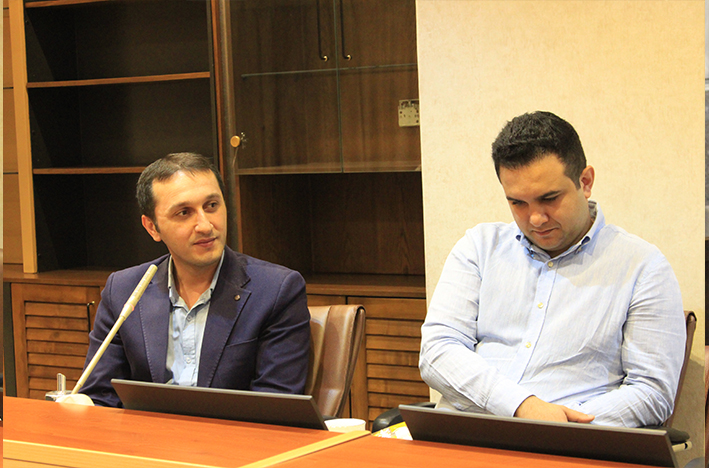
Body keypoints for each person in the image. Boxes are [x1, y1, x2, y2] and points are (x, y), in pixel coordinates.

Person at [419, 111, 685, 427]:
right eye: (518, 203)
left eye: (549, 198)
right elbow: (438, 350)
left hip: (568, 445)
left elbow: (653, 392)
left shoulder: (642, 267)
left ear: (585, 182)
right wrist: (521, 407)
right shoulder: (479, 247)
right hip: (460, 436)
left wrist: (561, 426)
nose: (535, 218)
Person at [80, 153, 310, 407]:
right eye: (184, 212)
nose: (205, 225)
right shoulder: (124, 290)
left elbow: (275, 405)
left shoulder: (276, 290)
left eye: (211, 206)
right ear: (152, 227)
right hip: (146, 431)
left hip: (233, 432)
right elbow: (100, 397)